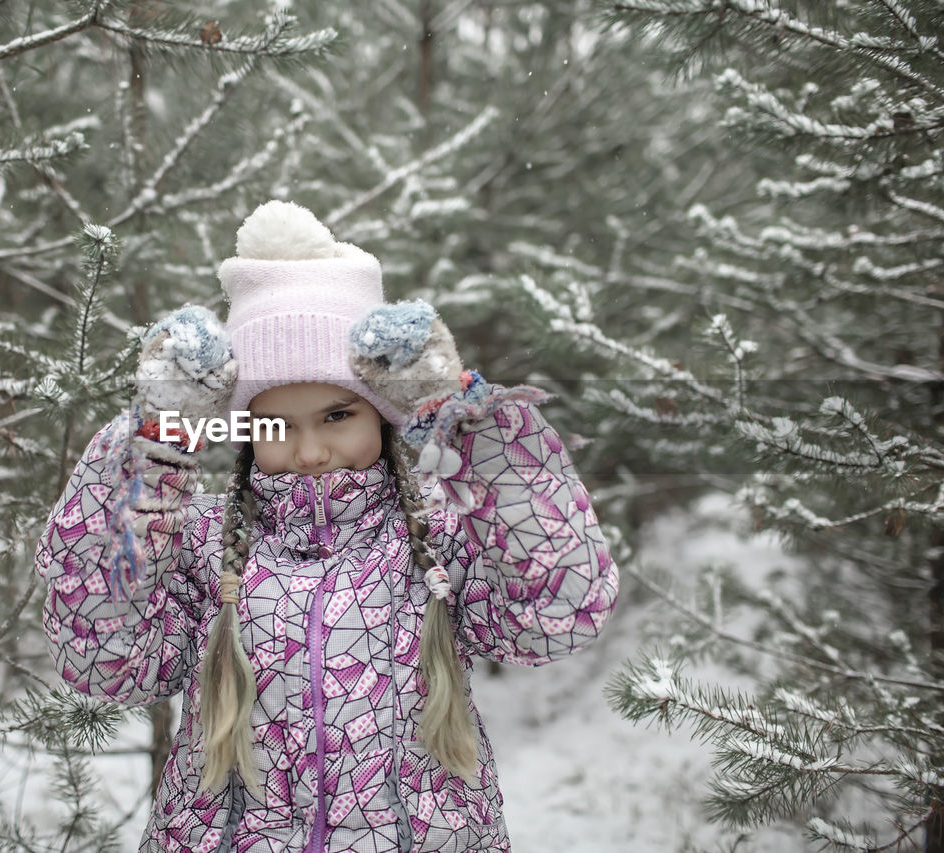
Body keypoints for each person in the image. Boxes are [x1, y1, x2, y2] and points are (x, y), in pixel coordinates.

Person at [36, 200, 619, 853]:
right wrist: (151, 449)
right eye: (276, 425)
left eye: (337, 415)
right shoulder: (202, 545)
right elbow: (104, 659)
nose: (310, 450)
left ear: (383, 414)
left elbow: (561, 610)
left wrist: (468, 428)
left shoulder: (435, 537)